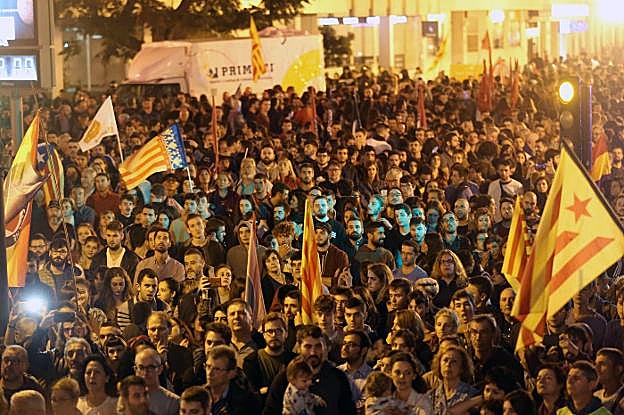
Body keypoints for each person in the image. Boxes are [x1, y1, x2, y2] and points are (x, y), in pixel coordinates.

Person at [263, 325, 356, 415]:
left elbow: (348, 411)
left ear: (325, 348)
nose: (313, 352)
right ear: (299, 348)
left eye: (318, 346)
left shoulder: (338, 377)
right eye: (308, 347)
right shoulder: (285, 378)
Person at [204, 345, 261, 415]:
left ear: (231, 373)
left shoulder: (247, 402)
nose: (209, 373)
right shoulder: (197, 396)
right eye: (208, 366)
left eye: (217, 369)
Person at [133, 347, 180, 415]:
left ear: (160, 369)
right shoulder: (125, 399)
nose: (145, 372)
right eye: (141, 368)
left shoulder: (172, 402)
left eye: (151, 367)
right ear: (135, 370)